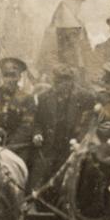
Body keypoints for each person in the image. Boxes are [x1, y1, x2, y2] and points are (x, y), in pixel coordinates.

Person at [32, 64, 95, 192]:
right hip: (50, 148)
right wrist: (37, 134)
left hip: (75, 148)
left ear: (72, 81)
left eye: (66, 81)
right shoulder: (44, 98)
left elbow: (88, 124)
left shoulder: (86, 97)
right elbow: (38, 121)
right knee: (37, 176)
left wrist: (79, 142)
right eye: (58, 82)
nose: (62, 85)